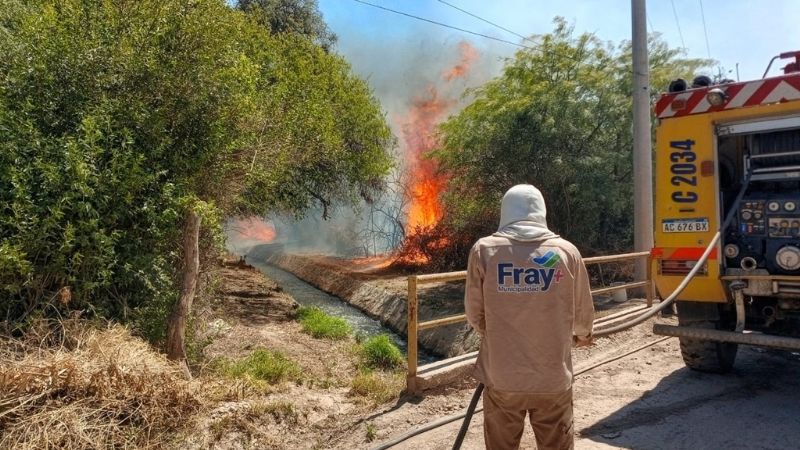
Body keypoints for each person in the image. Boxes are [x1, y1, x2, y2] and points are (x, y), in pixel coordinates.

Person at [465, 184, 594, 450]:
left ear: (505, 212)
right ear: (541, 212)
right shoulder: (567, 253)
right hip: (553, 379)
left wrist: (497, 334)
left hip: (502, 378)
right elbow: (583, 316)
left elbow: (475, 315)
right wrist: (581, 336)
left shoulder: (484, 251)